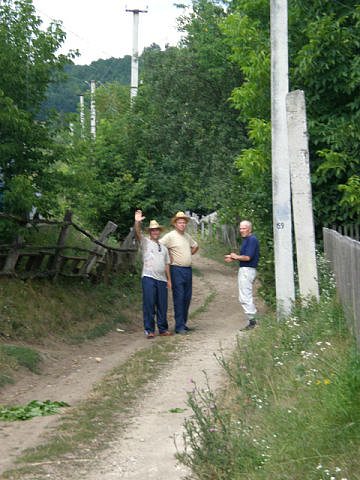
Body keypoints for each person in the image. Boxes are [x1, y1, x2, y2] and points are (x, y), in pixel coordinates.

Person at [134, 210, 172, 339]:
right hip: (148, 277)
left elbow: (167, 264)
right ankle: (149, 329)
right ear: (150, 232)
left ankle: (162, 328)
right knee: (149, 303)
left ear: (159, 232)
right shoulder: (145, 242)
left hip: (162, 279)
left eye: (157, 230)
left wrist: (169, 280)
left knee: (162, 305)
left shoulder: (164, 247)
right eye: (153, 230)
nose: (155, 232)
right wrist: (137, 222)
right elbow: (137, 233)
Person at [160, 211, 199, 334]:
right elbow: (160, 245)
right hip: (176, 270)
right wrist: (169, 254)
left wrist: (190, 253)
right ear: (175, 224)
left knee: (187, 297)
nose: (182, 224)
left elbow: (195, 246)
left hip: (188, 270)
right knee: (179, 297)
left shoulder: (187, 236)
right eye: (180, 222)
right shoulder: (170, 236)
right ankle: (179, 326)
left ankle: (183, 323)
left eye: (184, 222)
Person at [224, 220, 260, 330]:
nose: (241, 230)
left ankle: (253, 322)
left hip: (247, 270)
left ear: (250, 229)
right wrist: (233, 258)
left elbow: (248, 257)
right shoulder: (247, 240)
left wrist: (235, 256)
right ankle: (252, 319)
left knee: (245, 296)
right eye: (240, 228)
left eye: (244, 228)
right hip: (246, 269)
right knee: (244, 295)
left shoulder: (252, 240)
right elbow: (245, 257)